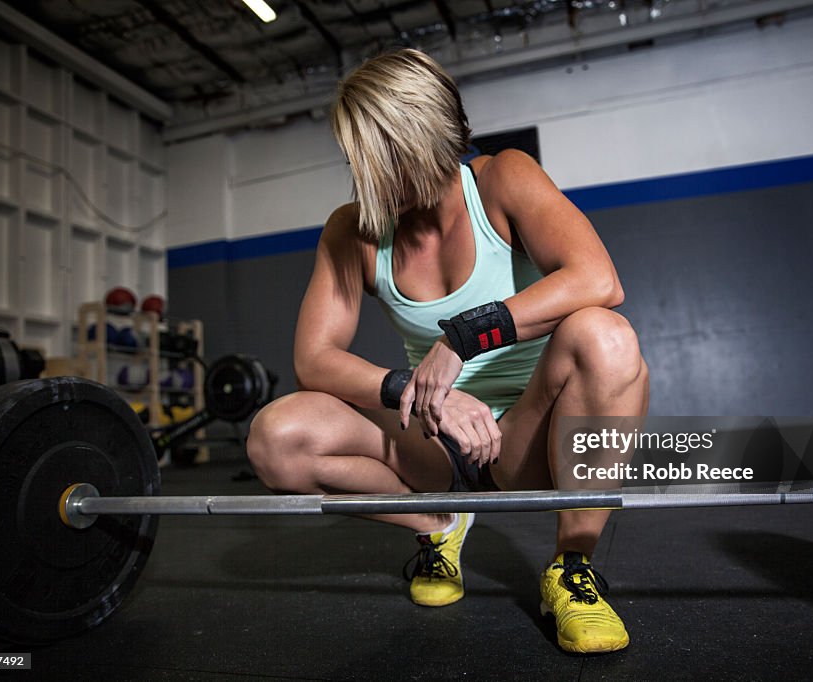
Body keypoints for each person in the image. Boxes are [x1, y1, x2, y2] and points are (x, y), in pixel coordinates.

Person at [247, 48, 649, 654]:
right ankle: (439, 527)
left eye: (396, 157)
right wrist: (416, 390)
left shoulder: (502, 178)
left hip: (528, 442)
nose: (383, 180)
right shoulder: (351, 230)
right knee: (275, 437)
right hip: (433, 444)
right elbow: (315, 359)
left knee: (607, 337)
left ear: (437, 135)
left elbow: (599, 280)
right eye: (370, 162)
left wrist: (462, 337)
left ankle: (572, 568)